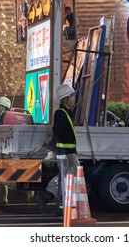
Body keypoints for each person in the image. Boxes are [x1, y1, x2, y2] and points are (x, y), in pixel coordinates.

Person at [36, 84, 80, 213]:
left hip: (68, 151)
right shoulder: (61, 113)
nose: (74, 99)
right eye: (72, 96)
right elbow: (57, 133)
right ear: (65, 99)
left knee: (67, 176)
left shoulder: (65, 113)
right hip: (65, 152)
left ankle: (49, 198)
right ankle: (48, 197)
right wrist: (52, 151)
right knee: (67, 176)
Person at [0, 96, 12, 204]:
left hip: (4, 152)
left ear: (4, 107)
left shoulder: (5, 118)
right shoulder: (2, 118)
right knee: (0, 178)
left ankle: (3, 200)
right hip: (2, 151)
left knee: (1, 177)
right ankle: (2, 199)